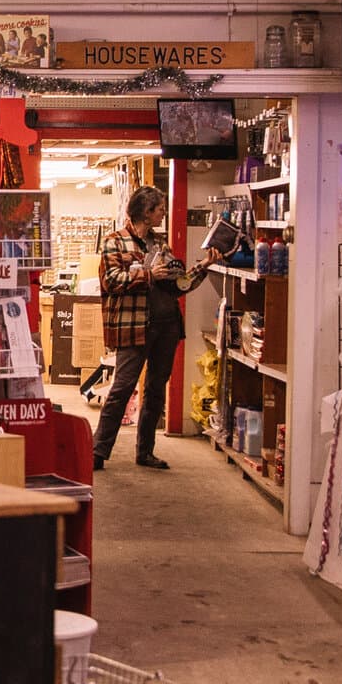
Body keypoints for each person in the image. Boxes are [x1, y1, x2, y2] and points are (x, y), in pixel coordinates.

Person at [92, 184, 212, 471]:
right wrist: (148, 274)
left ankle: (145, 452)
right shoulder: (115, 242)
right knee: (122, 387)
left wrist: (203, 267)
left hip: (167, 326)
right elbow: (111, 281)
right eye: (159, 209)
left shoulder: (160, 244)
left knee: (156, 390)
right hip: (133, 326)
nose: (162, 214)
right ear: (146, 212)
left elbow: (178, 285)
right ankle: (97, 451)